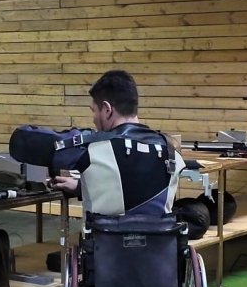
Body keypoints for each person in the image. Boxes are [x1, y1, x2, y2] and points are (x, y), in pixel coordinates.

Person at [48, 69, 184, 216]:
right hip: (161, 232)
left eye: (94, 111)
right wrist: (81, 187)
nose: (94, 119)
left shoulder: (94, 148)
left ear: (107, 109)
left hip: (105, 232)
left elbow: (37, 143)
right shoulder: (171, 149)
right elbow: (136, 190)